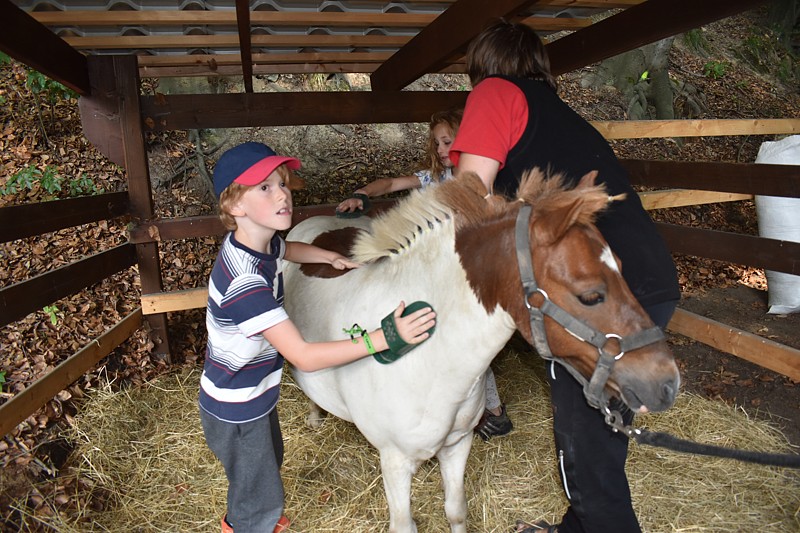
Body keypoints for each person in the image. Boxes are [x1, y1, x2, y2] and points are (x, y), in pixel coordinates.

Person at [450, 21, 680, 533]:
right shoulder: (556, 113)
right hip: (643, 274)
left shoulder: (495, 92)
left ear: (484, 66)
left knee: (587, 447)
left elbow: (467, 197)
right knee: (599, 433)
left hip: (593, 289)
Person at [200, 142, 436, 533]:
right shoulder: (244, 283)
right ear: (234, 207)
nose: (282, 193)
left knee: (265, 467)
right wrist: (383, 338)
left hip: (254, 393)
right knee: (256, 493)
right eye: (264, 188)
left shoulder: (259, 243)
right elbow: (304, 356)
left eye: (283, 183)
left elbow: (288, 249)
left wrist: (328, 257)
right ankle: (252, 525)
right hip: (235, 405)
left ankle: (260, 515)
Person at [336, 108, 514, 441]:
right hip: (433, 272)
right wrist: (363, 192)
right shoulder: (435, 179)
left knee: (467, 341)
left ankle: (493, 410)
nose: (442, 149)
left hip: (465, 274)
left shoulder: (482, 182)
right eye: (437, 143)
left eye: (448, 141)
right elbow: (391, 182)